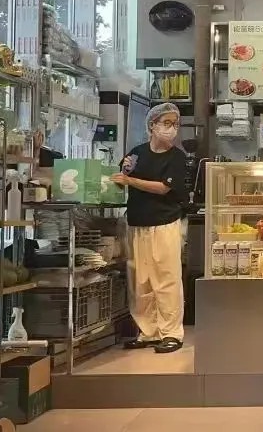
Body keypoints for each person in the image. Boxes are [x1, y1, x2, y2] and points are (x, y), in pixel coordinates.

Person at [110, 103, 188, 354]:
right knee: (140, 281)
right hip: (137, 223)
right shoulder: (137, 153)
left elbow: (163, 188)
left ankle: (171, 333)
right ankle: (148, 332)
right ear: (152, 125)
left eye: (175, 124)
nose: (171, 129)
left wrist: (130, 180)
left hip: (165, 223)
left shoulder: (176, 157)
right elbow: (121, 179)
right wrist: (122, 174)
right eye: (166, 123)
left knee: (166, 279)